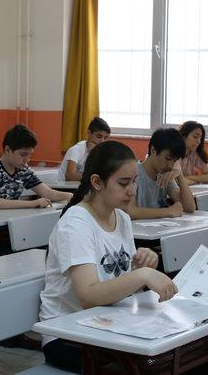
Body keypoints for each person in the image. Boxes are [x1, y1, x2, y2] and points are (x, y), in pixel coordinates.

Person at [39, 140, 180, 373]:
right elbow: (88, 295)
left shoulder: (121, 218)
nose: (132, 190)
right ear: (96, 182)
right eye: (123, 183)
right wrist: (141, 276)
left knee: (184, 349)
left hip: (110, 320)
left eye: (134, 181)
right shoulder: (76, 224)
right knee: (151, 366)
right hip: (67, 334)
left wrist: (140, 265)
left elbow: (120, 283)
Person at [0, 124, 72, 212]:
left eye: (29, 155)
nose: (27, 159)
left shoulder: (22, 169)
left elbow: (47, 192)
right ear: (7, 150)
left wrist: (70, 196)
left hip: (6, 219)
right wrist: (32, 203)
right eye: (23, 154)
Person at [126, 128, 196, 220]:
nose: (171, 165)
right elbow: (130, 212)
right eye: (168, 158)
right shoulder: (134, 173)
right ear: (153, 150)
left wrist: (180, 175)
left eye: (174, 161)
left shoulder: (165, 174)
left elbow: (189, 208)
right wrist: (168, 211)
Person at [58, 117, 110, 181]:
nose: (102, 141)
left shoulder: (99, 151)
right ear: (89, 133)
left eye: (105, 138)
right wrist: (94, 176)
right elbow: (70, 176)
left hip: (79, 186)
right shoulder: (76, 149)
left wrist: (93, 154)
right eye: (99, 136)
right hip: (64, 187)